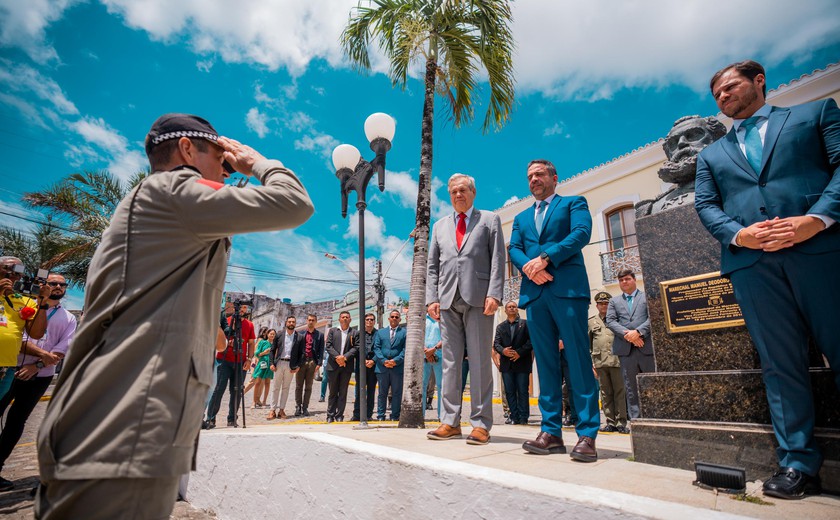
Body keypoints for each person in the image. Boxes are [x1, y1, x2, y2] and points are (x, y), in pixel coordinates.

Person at [36, 113, 314, 520]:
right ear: (187, 149)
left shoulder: (163, 215)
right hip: (124, 429)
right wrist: (257, 162)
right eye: (220, 154)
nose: (227, 164)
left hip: (123, 428)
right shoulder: (174, 190)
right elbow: (293, 203)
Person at [695, 60, 840, 500]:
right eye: (717, 93)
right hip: (753, 266)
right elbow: (706, 205)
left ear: (759, 81)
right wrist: (739, 234)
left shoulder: (813, 114)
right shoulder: (710, 154)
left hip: (820, 252)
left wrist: (816, 219)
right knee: (780, 364)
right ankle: (797, 463)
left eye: (731, 86)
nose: (723, 96)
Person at [508, 159, 600, 462]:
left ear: (554, 177)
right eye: (529, 175)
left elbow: (581, 234)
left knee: (577, 359)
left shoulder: (573, 203)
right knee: (545, 363)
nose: (534, 179)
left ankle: (587, 433)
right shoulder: (521, 218)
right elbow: (514, 249)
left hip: (568, 290)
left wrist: (545, 259)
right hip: (535, 295)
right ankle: (551, 432)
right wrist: (529, 268)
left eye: (539, 174)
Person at [426, 173, 505, 446]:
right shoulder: (439, 226)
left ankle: (481, 424)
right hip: (447, 300)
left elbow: (498, 258)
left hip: (480, 299)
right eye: (454, 191)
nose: (458, 195)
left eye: (463, 190)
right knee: (450, 362)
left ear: (473, 192)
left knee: (481, 361)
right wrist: (431, 298)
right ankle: (450, 421)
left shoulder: (489, 220)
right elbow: (432, 266)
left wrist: (495, 293)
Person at [0, 273, 74, 492]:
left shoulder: (69, 318)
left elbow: (61, 350)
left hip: (40, 377)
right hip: (11, 369)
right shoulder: (23, 306)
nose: (58, 287)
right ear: (43, 285)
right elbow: (17, 338)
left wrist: (37, 366)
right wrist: (43, 354)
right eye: (53, 283)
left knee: (16, 423)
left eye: (62, 284)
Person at [605, 269, 654, 422]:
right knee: (631, 388)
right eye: (621, 280)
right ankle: (636, 421)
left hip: (646, 348)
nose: (624, 282)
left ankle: (655, 417)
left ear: (634, 279)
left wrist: (639, 332)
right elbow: (611, 321)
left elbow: (654, 315)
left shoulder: (646, 297)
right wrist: (630, 336)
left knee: (651, 384)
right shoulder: (614, 301)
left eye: (627, 279)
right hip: (627, 351)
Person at [0, 257, 49, 399]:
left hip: (6, 367)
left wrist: (42, 303)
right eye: (9, 268)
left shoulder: (26, 301)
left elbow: (36, 333)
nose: (15, 274)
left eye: (19, 272)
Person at [206, 303, 256, 428]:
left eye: (245, 307)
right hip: (224, 360)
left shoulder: (249, 325)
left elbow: (251, 343)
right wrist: (228, 342)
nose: (242, 310)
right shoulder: (226, 321)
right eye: (241, 307)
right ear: (234, 308)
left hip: (241, 362)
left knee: (237, 391)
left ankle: (232, 418)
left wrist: (249, 359)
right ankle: (211, 418)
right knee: (218, 390)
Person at [589, 291, 628, 434]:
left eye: (606, 303)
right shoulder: (591, 322)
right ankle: (610, 422)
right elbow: (589, 345)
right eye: (601, 304)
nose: (603, 306)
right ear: (597, 305)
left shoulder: (618, 320)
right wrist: (592, 364)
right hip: (600, 362)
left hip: (617, 360)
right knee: (605, 393)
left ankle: (621, 422)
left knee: (620, 392)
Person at [492, 301, 532, 425]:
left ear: (517, 309)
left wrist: (519, 352)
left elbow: (531, 341)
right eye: (509, 307)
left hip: (522, 362)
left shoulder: (525, 324)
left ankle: (523, 416)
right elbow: (496, 344)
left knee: (522, 391)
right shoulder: (500, 327)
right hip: (506, 364)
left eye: (514, 307)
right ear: (505, 310)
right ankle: (513, 416)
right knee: (509, 391)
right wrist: (503, 351)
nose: (512, 308)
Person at [373, 310, 406, 421]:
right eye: (392, 316)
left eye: (396, 317)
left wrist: (395, 361)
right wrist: (384, 361)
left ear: (400, 319)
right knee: (382, 393)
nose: (394, 318)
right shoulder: (380, 332)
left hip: (397, 368)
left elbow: (405, 349)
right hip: (382, 368)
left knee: (397, 393)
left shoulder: (404, 332)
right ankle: (380, 415)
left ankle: (395, 415)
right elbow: (376, 348)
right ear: (389, 318)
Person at [268, 317, 303, 420]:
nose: (291, 323)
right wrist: (271, 363)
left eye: (293, 322)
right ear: (286, 323)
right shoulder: (279, 335)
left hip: (290, 366)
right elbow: (272, 350)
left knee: (286, 388)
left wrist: (298, 366)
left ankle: (282, 410)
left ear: (295, 323)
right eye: (289, 322)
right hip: (279, 363)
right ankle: (272, 410)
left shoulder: (300, 337)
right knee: (275, 387)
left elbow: (302, 353)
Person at [325, 311, 357, 422]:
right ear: (339, 319)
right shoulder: (333, 331)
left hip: (346, 367)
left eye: (347, 317)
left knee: (343, 392)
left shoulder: (354, 332)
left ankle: (339, 415)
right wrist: (338, 357)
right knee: (332, 392)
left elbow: (356, 348)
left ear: (350, 319)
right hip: (333, 366)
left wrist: (345, 358)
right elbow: (328, 346)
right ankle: (330, 415)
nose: (344, 319)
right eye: (342, 317)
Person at [296, 314, 324, 416]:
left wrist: (319, 363)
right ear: (307, 321)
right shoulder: (301, 334)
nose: (311, 322)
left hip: (312, 362)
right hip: (301, 362)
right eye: (309, 320)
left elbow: (321, 350)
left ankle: (305, 407)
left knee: (309, 386)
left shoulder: (320, 335)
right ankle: (298, 406)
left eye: (313, 320)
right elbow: (296, 349)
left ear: (316, 321)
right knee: (299, 386)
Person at [351, 313, 377, 422]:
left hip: (373, 366)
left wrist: (373, 360)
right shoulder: (358, 334)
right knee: (360, 390)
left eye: (371, 319)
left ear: (374, 321)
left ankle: (369, 414)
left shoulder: (378, 334)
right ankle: (357, 414)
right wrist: (363, 361)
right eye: (367, 319)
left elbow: (380, 349)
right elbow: (355, 349)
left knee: (371, 391)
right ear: (364, 321)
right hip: (361, 366)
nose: (369, 321)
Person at [421, 312, 442, 420]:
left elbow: (447, 336)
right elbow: (418, 335)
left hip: (440, 355)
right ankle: (421, 415)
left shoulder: (443, 318)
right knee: (422, 386)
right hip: (424, 356)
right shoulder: (423, 319)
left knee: (441, 386)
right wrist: (426, 352)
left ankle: (441, 416)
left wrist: (434, 349)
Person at [247, 328, 274, 410]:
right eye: (271, 334)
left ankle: (264, 401)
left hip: (270, 365)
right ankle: (254, 401)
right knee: (257, 382)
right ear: (267, 334)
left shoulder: (275, 344)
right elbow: (256, 353)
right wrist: (264, 352)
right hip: (262, 363)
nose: (272, 335)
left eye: (273, 334)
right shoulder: (262, 342)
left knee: (267, 383)